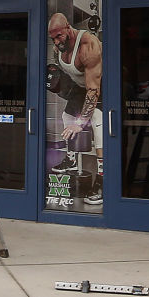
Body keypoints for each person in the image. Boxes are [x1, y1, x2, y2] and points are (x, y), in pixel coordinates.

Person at [48, 11, 104, 205]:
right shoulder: (60, 48)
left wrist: (81, 124)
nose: (56, 42)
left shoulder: (89, 45)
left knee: (97, 120)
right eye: (53, 38)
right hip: (81, 87)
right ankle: (70, 159)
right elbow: (68, 76)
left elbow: (93, 90)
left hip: (100, 86)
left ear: (68, 28)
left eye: (59, 36)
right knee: (66, 116)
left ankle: (102, 179)